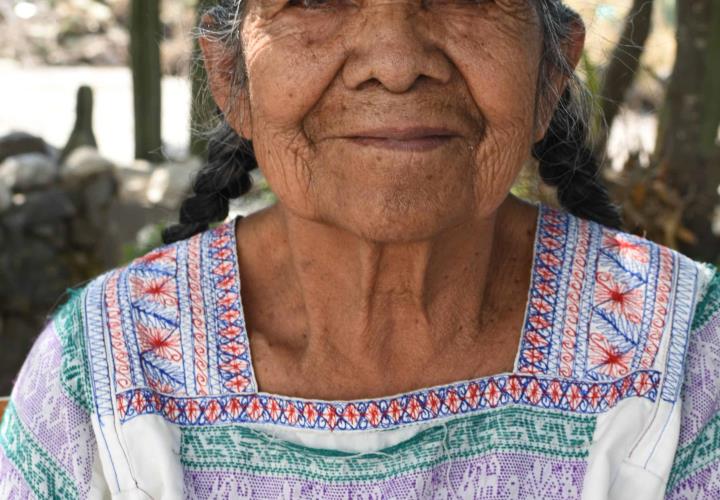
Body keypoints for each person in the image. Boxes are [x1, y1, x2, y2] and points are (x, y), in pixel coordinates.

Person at [0, 0, 718, 498]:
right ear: (230, 80)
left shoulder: (685, 360)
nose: (397, 62)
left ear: (552, 72)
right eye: (315, 0)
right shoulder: (106, 371)